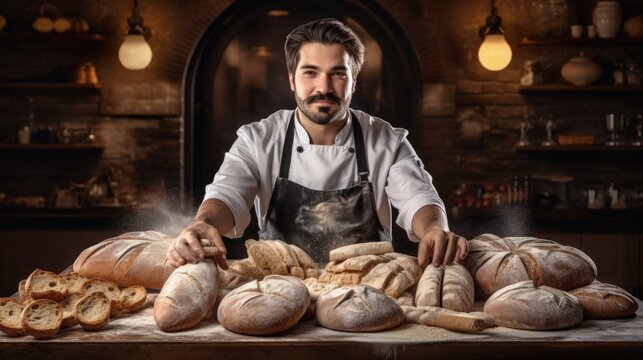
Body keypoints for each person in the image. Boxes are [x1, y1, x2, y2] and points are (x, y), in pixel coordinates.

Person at [167, 18, 468, 269]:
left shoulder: (386, 140)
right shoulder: (258, 139)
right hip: (278, 295)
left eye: (338, 74)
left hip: (368, 295)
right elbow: (228, 192)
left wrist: (433, 229)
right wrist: (204, 223)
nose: (323, 87)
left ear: (354, 81)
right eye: (310, 73)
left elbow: (419, 197)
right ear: (292, 80)